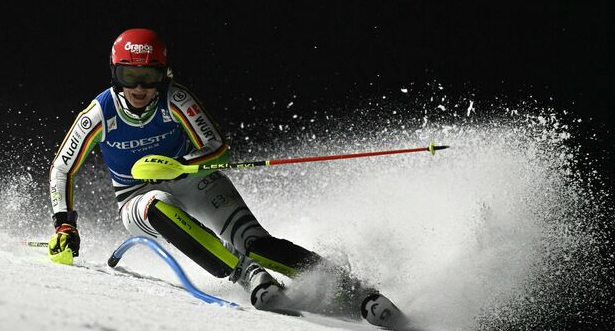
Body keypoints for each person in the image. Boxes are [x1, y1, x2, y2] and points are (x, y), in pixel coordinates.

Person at [47, 28, 409, 329]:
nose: (139, 88)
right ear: (115, 74)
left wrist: (182, 165)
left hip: (190, 177)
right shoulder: (100, 113)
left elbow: (217, 147)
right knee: (158, 206)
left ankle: (358, 293)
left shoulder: (175, 99)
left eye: (149, 77)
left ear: (164, 74)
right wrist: (65, 225)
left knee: (256, 242)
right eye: (129, 77)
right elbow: (63, 167)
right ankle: (249, 275)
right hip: (136, 196)